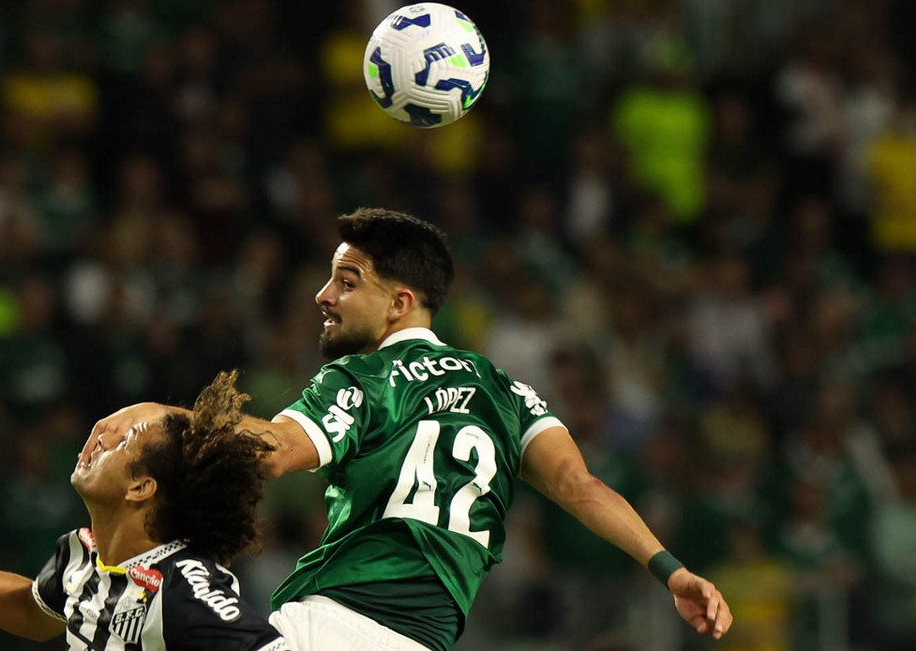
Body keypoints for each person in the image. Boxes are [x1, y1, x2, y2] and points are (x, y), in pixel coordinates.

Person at [90, 208, 733, 651]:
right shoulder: (504, 390)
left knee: (121, 604)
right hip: (418, 639)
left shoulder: (367, 379)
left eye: (347, 281)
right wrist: (674, 572)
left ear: (400, 303)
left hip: (336, 627)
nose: (324, 295)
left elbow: (277, 452)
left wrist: (164, 418)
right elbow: (582, 485)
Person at [0, 372, 290, 651]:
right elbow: (29, 611)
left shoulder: (179, 588)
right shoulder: (82, 557)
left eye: (123, 442)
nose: (99, 440)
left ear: (141, 487)